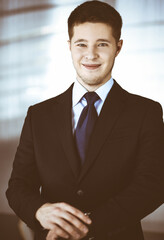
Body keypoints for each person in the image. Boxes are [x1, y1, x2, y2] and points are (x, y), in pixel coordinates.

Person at [6, 1, 164, 240]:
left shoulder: (146, 112)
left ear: (118, 47)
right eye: (81, 44)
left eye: (102, 44)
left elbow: (153, 186)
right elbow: (18, 186)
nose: (91, 55)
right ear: (69, 46)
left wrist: (84, 226)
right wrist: (39, 211)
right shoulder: (38, 115)